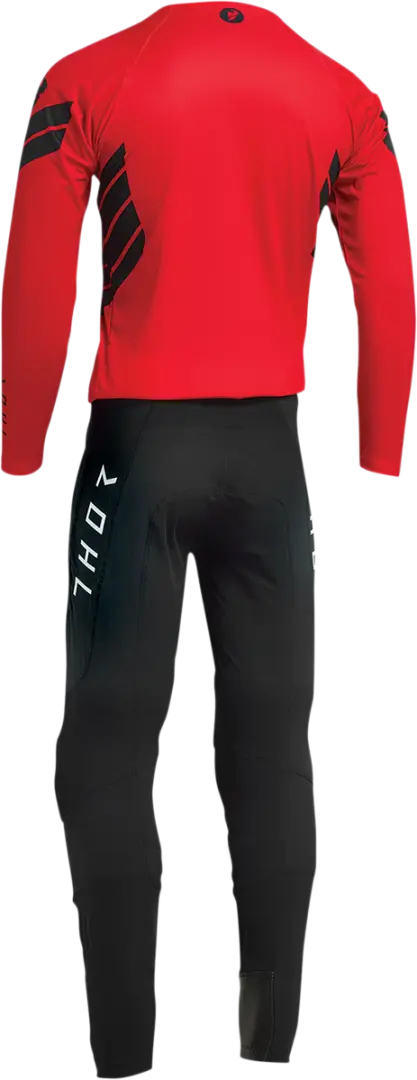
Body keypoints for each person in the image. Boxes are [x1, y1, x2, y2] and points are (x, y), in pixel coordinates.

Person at [1, 3, 415, 1076]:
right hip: (269, 463)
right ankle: (268, 1049)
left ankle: (124, 1059)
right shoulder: (338, 90)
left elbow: (38, 267)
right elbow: (387, 275)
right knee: (272, 750)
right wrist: (378, 441)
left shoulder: (89, 78)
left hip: (136, 453)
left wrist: (19, 441)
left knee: (102, 752)